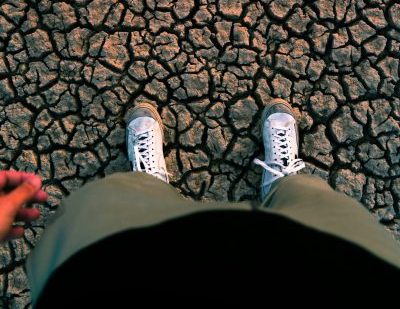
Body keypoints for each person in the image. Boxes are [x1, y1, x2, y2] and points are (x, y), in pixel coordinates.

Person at [2, 99, 400, 306]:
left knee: (100, 212)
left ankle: (144, 184)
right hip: (351, 287)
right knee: (321, 209)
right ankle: (283, 186)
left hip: (116, 285)